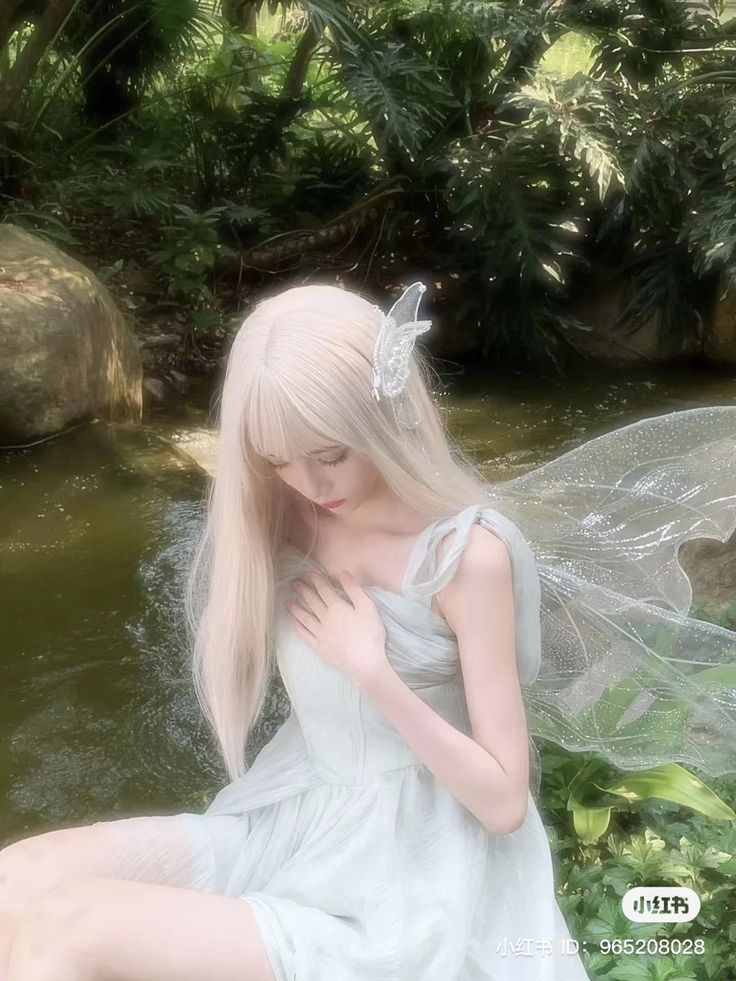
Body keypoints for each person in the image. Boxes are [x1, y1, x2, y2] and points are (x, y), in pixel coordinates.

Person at [1, 281, 734, 981]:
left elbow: (505, 802)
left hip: (410, 874)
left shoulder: (465, 556)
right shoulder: (289, 515)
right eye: (278, 460)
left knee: (73, 922)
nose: (311, 484)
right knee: (18, 880)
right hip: (298, 820)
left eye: (329, 454)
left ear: (387, 416)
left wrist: (375, 673)